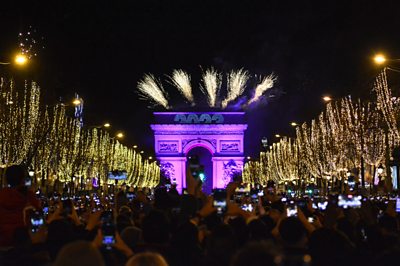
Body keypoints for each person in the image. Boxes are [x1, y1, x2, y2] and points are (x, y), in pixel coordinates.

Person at [0, 165, 41, 248]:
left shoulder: (2, 195)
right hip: (22, 243)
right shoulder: (29, 197)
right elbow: (38, 216)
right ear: (23, 179)